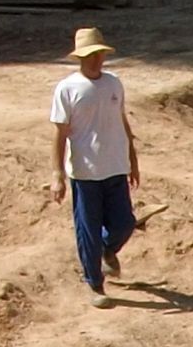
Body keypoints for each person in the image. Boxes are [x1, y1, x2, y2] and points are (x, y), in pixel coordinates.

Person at [49, 27, 141, 305]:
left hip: (115, 166)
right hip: (85, 172)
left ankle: (105, 250)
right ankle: (94, 284)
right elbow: (60, 134)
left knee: (125, 223)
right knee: (87, 229)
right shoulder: (67, 89)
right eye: (90, 55)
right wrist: (57, 175)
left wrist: (133, 160)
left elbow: (122, 122)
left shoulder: (114, 84)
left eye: (99, 54)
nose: (96, 59)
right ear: (80, 57)